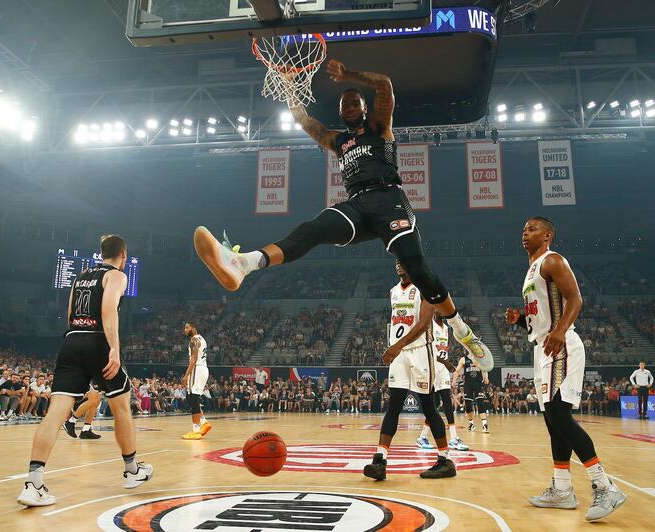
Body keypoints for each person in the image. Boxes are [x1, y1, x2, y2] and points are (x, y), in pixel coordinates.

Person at [194, 59, 492, 374]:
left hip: (389, 198)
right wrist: (289, 90)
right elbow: (305, 122)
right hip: (357, 206)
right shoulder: (338, 141)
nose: (349, 105)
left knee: (417, 269)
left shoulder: (379, 127)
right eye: (344, 103)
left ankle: (462, 331)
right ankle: (245, 263)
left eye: (354, 101)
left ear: (365, 108)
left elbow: (384, 84)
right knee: (313, 229)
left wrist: (348, 75)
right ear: (340, 112)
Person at [16, 235, 152, 507]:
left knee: (56, 411)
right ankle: (132, 470)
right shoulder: (116, 276)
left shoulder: (79, 277)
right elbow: (108, 310)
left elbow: (69, 315)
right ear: (123, 254)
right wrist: (113, 348)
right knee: (121, 406)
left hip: (71, 340)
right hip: (98, 340)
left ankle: (34, 482)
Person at [506, 216, 626, 521]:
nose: (525, 233)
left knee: (559, 415)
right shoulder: (532, 269)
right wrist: (520, 321)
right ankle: (562, 489)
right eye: (523, 229)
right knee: (552, 420)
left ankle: (604, 485)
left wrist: (560, 330)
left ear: (547, 235)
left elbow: (575, 299)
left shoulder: (553, 261)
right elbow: (543, 317)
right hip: (544, 347)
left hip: (561, 347)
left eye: (532, 229)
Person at [363, 262, 457, 481]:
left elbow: (424, 323)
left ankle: (445, 460)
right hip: (400, 355)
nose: (398, 264)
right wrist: (396, 346)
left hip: (422, 351)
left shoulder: (425, 287)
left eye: (403, 260)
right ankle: (380, 460)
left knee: (428, 407)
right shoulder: (393, 291)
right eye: (396, 261)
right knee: (393, 406)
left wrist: (397, 345)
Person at [417, 314, 469, 451]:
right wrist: (446, 362)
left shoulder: (446, 328)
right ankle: (422, 437)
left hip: (443, 369)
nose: (441, 311)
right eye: (438, 309)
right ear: (434, 311)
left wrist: (446, 363)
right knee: (433, 406)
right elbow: (431, 350)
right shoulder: (430, 325)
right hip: (432, 367)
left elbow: (443, 348)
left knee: (447, 402)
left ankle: (453, 438)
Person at [181, 322, 212, 440]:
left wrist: (186, 375)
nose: (185, 330)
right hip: (203, 369)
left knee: (193, 398)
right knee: (191, 398)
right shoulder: (202, 339)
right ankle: (204, 422)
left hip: (197, 369)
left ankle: (196, 430)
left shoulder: (193, 340)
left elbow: (193, 358)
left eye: (187, 327)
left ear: (193, 328)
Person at [454, 353, 490, 433]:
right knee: (467, 403)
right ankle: (471, 423)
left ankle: (484, 424)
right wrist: (454, 380)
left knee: (480, 402)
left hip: (478, 383)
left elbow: (484, 369)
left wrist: (486, 377)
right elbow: (457, 371)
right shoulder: (463, 359)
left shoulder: (480, 358)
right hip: (468, 384)